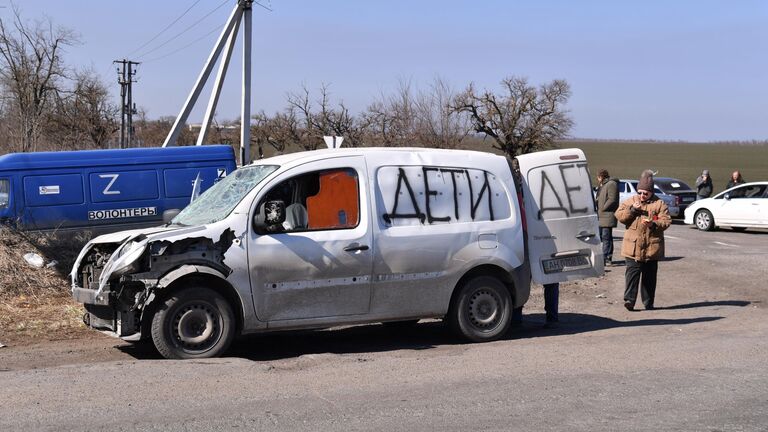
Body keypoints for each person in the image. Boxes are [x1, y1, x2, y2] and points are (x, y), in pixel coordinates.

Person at [615, 170, 671, 311]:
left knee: (649, 278)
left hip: (651, 248)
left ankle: (648, 302)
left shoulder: (659, 204)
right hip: (632, 247)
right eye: (640, 192)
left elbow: (666, 221)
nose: (642, 195)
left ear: (651, 192)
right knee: (632, 276)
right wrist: (633, 210)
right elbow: (620, 215)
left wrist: (653, 224)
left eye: (645, 193)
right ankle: (629, 301)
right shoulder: (631, 201)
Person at [595, 169, 619, 266]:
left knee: (606, 237)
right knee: (604, 237)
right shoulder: (603, 185)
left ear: (601, 176)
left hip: (607, 215)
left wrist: (603, 208)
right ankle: (605, 257)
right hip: (602, 215)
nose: (597, 179)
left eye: (598, 177)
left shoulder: (611, 184)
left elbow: (612, 199)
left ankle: (607, 257)